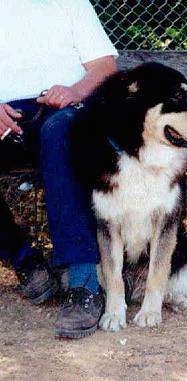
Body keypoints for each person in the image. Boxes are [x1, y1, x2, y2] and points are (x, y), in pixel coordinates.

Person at [0, 0, 118, 339]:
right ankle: (25, 261)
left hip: (66, 111)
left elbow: (104, 67)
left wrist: (74, 92)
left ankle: (83, 284)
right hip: (7, 117)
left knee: (60, 135)